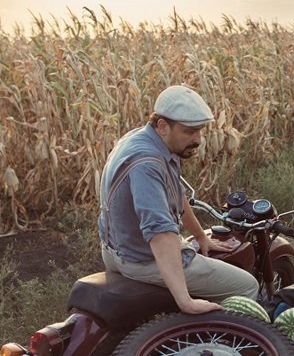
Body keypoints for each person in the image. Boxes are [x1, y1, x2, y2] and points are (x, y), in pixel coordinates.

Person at [98, 84, 259, 314]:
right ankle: (225, 345)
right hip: (142, 259)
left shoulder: (142, 139)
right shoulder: (147, 164)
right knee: (246, 286)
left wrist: (201, 236)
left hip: (116, 249)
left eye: (200, 131)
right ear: (163, 126)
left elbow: (175, 194)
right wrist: (186, 302)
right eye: (189, 131)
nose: (198, 140)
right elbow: (160, 233)